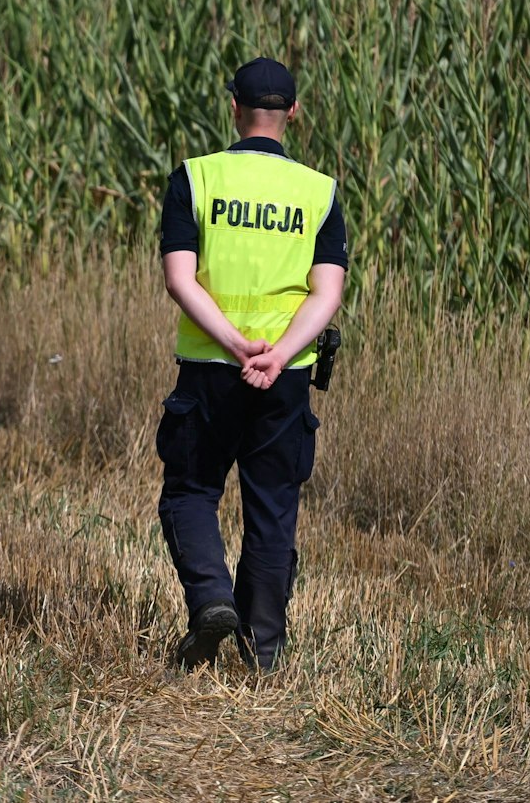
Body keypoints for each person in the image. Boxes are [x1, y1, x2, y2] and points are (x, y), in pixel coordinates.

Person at [156, 57, 348, 673]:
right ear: (293, 112)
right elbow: (327, 293)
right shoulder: (319, 192)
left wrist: (236, 345)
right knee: (272, 508)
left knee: (190, 492)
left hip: (213, 367)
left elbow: (179, 279)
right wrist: (281, 352)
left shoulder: (196, 178)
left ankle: (212, 597)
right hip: (285, 377)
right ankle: (261, 652)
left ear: (233, 106)